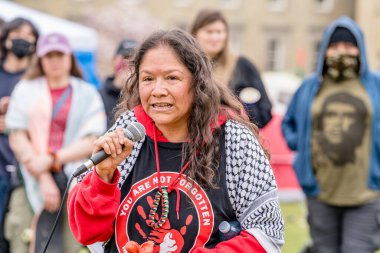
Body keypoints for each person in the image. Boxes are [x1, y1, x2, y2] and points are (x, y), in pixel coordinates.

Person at [68, 29, 284, 253]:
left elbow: (267, 235)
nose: (158, 90)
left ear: (198, 83)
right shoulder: (127, 131)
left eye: (172, 78)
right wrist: (103, 178)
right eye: (148, 79)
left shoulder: (234, 140)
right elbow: (89, 235)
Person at [282, 16, 380, 253]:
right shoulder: (310, 87)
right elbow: (289, 122)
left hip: (366, 195)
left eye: (348, 46)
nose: (341, 52)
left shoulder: (375, 85)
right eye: (335, 46)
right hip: (320, 193)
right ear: (325, 50)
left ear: (360, 49)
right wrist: (302, 150)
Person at [5, 32, 106, 253]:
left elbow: (92, 139)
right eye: (48, 55)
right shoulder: (26, 89)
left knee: (70, 243)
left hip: (73, 178)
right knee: (24, 239)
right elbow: (17, 135)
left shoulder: (86, 93)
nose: (54, 60)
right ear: (40, 59)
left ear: (69, 56)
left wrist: (53, 160)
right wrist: (42, 176)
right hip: (30, 177)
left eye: (59, 54)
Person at [190, 9, 272, 128]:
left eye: (219, 32)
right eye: (209, 32)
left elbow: (265, 113)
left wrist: (243, 109)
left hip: (233, 139)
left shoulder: (243, 66)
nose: (215, 37)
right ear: (195, 33)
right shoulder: (187, 65)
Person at [0, 17, 39, 253]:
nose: (22, 40)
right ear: (5, 40)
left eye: (29, 36)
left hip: (24, 173)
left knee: (15, 238)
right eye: (17, 34)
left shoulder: (35, 81)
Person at [100, 39, 138, 129]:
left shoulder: (143, 98)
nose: (128, 63)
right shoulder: (97, 95)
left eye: (133, 60)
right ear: (114, 59)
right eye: (125, 57)